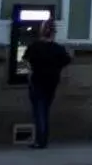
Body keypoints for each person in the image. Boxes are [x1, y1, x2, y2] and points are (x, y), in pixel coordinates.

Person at [24, 20, 72, 149]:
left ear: (41, 31)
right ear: (53, 33)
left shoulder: (35, 46)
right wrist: (56, 68)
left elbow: (27, 62)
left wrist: (31, 72)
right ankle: (43, 139)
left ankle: (40, 141)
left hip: (37, 81)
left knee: (39, 112)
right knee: (45, 110)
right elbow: (67, 60)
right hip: (52, 82)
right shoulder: (58, 48)